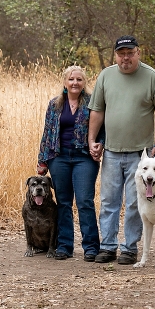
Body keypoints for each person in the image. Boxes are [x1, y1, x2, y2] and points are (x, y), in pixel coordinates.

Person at [87, 35, 155, 265]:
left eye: (130, 53)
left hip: (141, 154)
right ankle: (107, 246)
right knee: (108, 200)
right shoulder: (106, 76)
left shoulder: (151, 77)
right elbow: (97, 110)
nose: (126, 57)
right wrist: (92, 139)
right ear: (116, 55)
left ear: (138, 53)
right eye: (121, 53)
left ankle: (130, 248)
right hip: (112, 151)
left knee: (136, 202)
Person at [37, 65, 101, 261]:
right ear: (65, 82)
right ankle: (64, 246)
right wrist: (43, 160)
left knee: (84, 202)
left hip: (84, 158)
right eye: (71, 79)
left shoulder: (92, 103)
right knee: (63, 203)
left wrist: (100, 145)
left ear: (84, 83)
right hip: (59, 158)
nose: (75, 83)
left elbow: (102, 128)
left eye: (79, 79)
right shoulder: (55, 104)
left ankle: (91, 247)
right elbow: (47, 132)